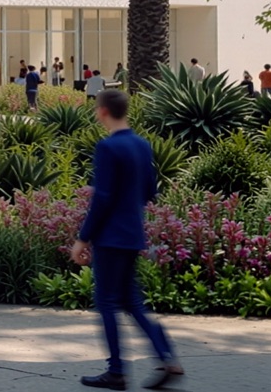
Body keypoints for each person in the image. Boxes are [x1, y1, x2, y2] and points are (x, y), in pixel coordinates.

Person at [72, 88, 183, 389]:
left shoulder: (108, 147)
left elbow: (103, 198)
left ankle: (117, 371)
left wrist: (83, 238)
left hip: (110, 236)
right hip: (133, 233)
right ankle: (166, 356)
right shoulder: (142, 144)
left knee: (107, 303)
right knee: (132, 302)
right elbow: (149, 191)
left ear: (103, 112)